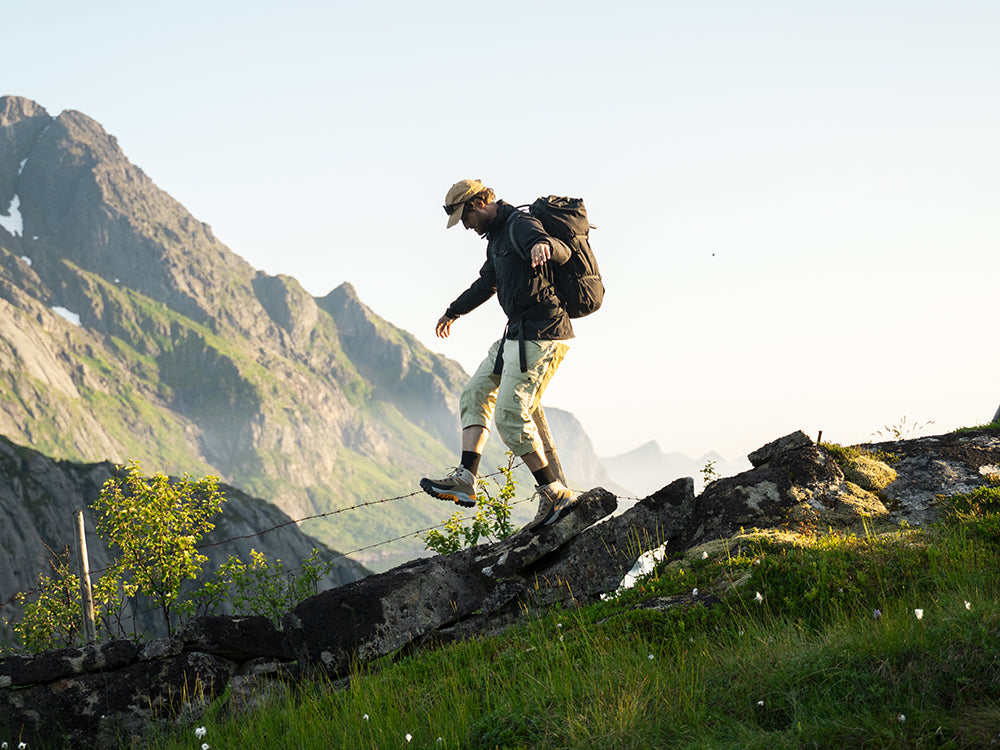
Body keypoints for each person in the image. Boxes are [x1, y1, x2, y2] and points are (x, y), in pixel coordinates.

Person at [420, 178, 578, 530]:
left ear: (478, 204)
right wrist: (453, 311)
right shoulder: (496, 239)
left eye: (464, 217)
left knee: (509, 413)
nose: (465, 226)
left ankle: (555, 493)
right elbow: (486, 284)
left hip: (543, 334)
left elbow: (563, 251)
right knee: (474, 392)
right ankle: (466, 479)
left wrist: (543, 245)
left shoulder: (520, 224)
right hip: (516, 332)